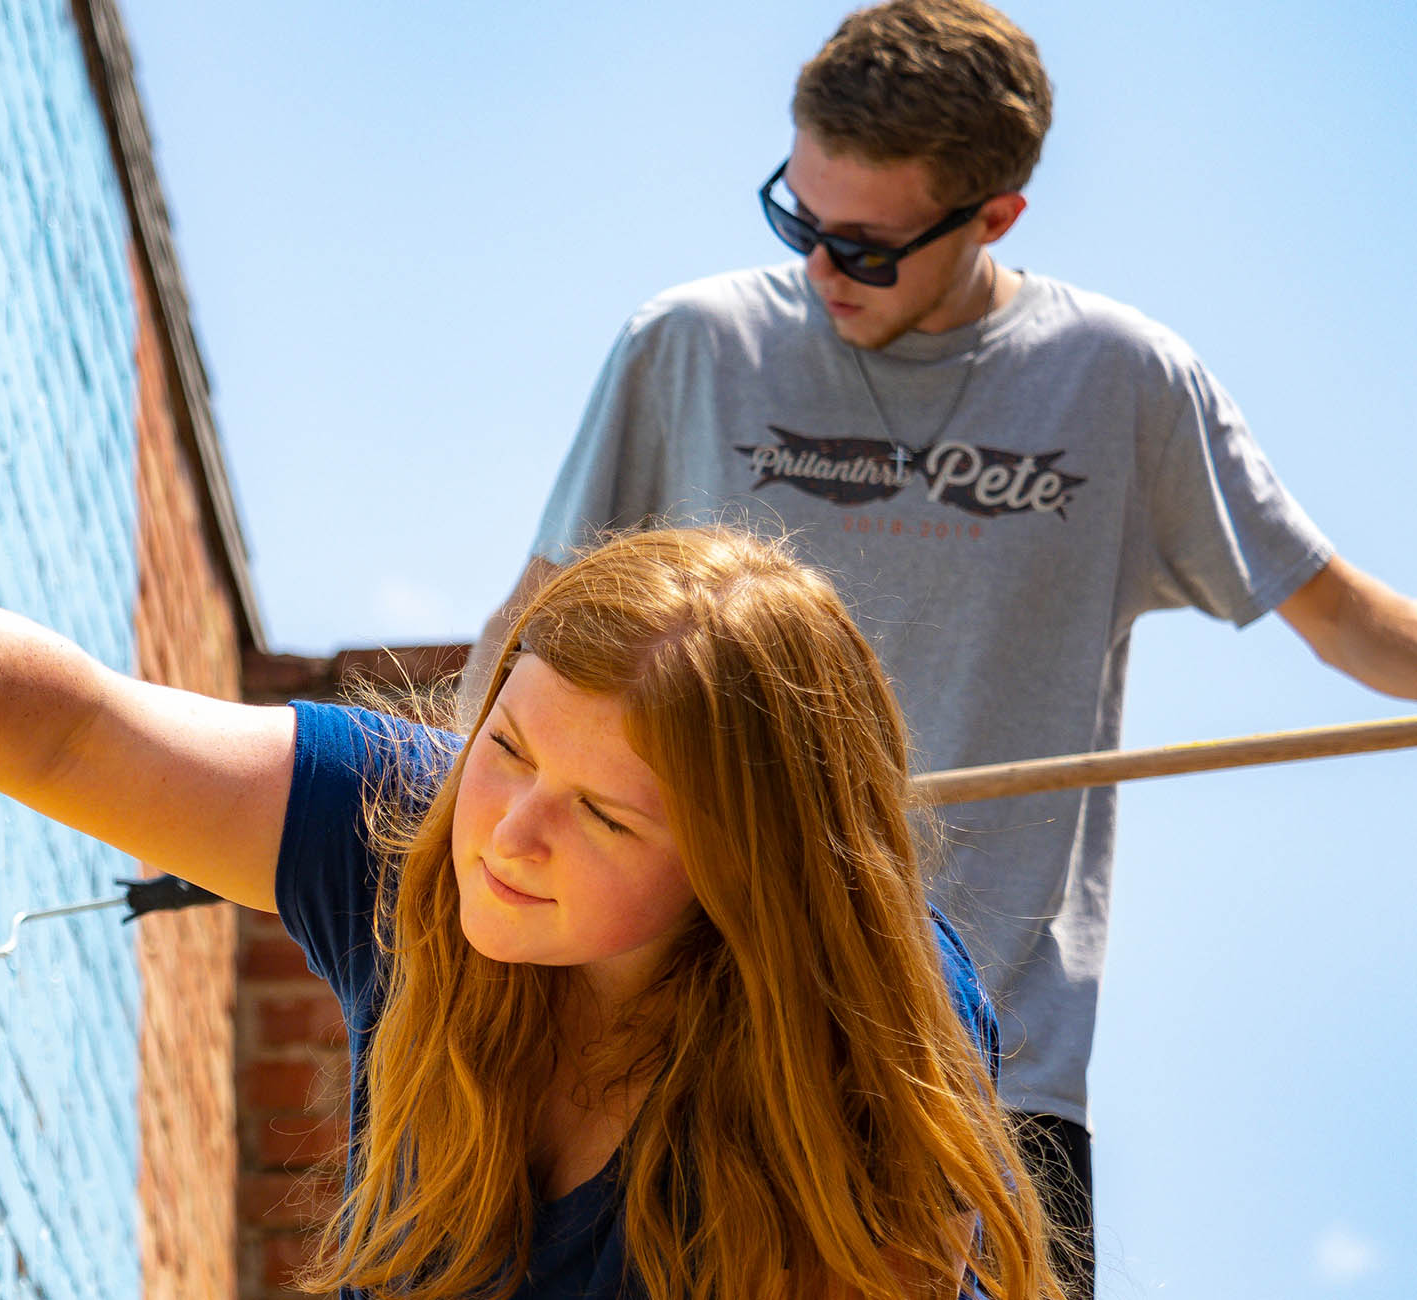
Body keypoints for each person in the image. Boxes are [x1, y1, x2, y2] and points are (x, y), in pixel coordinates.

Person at [473, 2, 1417, 1294]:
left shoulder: (1122, 383)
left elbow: (1345, 618)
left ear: (995, 217)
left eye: (865, 248)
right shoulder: (688, 346)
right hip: (684, 1035)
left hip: (985, 1073)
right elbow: (524, 639)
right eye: (796, 219)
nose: (822, 269)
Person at [0, 526, 1064, 1300]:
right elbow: (82, 733)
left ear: (745, 876)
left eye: (606, 816)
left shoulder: (859, 1065)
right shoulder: (412, 832)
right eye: (509, 749)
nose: (508, 835)